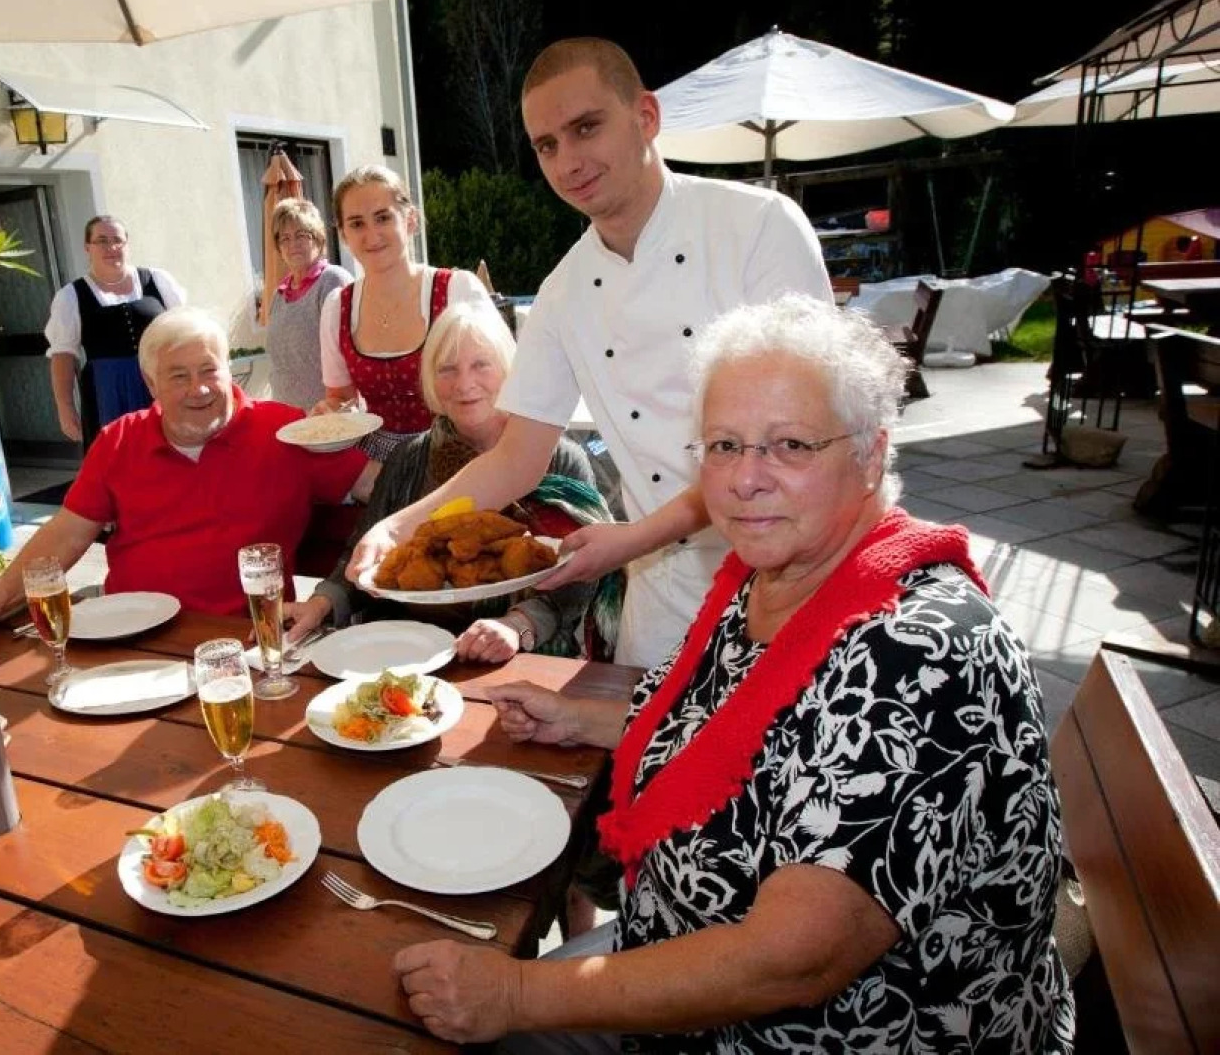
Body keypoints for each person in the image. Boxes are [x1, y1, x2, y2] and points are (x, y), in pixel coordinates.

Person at [392, 295, 1074, 1052]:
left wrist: (517, 992)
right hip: (678, 957)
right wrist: (581, 719)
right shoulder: (779, 575)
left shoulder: (920, 653)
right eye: (722, 445)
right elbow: (743, 722)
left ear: (871, 454)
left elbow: (794, 959)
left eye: (788, 445)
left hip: (832, 1028)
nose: (745, 479)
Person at [347, 39, 832, 670]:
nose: (567, 160)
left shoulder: (760, 227)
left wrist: (630, 540)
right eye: (547, 145)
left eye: (585, 128)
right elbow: (516, 460)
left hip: (794, 577)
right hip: (665, 600)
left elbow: (793, 445)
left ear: (646, 118)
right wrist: (398, 526)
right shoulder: (563, 291)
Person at [0, 307, 378, 623]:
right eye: (179, 376)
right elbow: (66, 534)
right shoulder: (119, 440)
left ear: (228, 369)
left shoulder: (286, 430)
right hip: (134, 637)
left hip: (249, 637)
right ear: (151, 385)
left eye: (209, 370)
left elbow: (377, 486)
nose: (198, 389)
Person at [286, 303, 618, 664]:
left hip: (526, 658)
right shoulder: (409, 459)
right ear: (430, 379)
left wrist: (517, 625)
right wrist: (320, 605)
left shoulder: (558, 457)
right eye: (447, 369)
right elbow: (364, 558)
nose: (464, 384)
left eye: (481, 365)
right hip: (415, 653)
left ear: (510, 370)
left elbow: (580, 574)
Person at [314, 164, 494, 461]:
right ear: (343, 234)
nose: (372, 235)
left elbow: (500, 381)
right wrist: (330, 413)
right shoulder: (337, 307)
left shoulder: (457, 290)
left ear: (410, 220)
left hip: (459, 453)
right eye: (357, 224)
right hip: (376, 463)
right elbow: (341, 398)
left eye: (383, 218)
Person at [43, 215, 187, 447]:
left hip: (162, 381)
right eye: (101, 241)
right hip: (107, 389)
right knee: (119, 455)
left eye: (117, 240)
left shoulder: (157, 280)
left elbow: (185, 331)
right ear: (87, 247)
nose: (111, 247)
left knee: (173, 449)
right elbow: (63, 355)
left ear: (127, 244)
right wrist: (65, 407)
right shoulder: (71, 296)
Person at [263, 197, 353, 409]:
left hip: (328, 414)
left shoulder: (332, 280)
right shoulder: (279, 295)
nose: (292, 244)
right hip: (287, 414)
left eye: (301, 235)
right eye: (284, 238)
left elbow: (349, 353)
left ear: (318, 238)